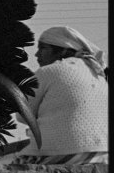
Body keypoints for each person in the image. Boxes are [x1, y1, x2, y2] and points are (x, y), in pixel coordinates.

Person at [15, 26, 108, 165]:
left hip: (61, 153)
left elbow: (23, 115)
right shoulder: (98, 74)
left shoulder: (48, 71)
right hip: (102, 154)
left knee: (10, 168)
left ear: (62, 50)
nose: (37, 54)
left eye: (42, 48)